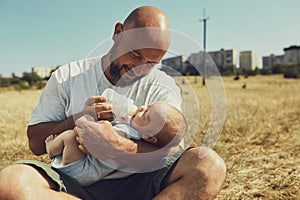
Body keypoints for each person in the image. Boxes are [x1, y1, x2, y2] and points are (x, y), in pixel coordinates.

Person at [0, 6, 226, 200]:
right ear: (118, 33)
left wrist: (117, 147)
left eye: (151, 63)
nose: (139, 68)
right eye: (135, 55)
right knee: (10, 184)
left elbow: (173, 149)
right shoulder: (68, 76)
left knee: (209, 167)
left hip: (140, 183)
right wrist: (77, 119)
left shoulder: (162, 86)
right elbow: (36, 144)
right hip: (73, 187)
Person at [45, 101, 187, 186]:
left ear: (150, 137)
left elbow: (84, 130)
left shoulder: (126, 133)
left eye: (146, 114)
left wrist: (87, 117)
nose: (142, 107)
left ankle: (51, 148)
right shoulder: (135, 135)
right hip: (92, 175)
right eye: (147, 106)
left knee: (70, 136)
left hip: (81, 171)